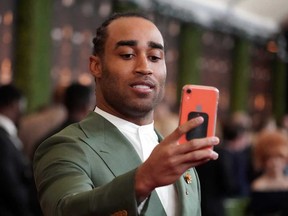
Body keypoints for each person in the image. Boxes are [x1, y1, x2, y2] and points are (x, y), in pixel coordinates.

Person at [33, 12, 220, 216]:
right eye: (127, 55)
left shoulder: (181, 162)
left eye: (154, 57)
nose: (145, 68)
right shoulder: (67, 147)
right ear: (96, 66)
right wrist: (143, 180)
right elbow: (65, 210)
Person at [0, 84, 42, 216]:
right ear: (13, 104)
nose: (22, 111)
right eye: (21, 104)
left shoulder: (7, 135)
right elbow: (10, 185)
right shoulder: (3, 139)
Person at [247, 129, 288, 216]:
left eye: (279, 157)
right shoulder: (258, 186)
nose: (275, 162)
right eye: (270, 158)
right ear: (263, 160)